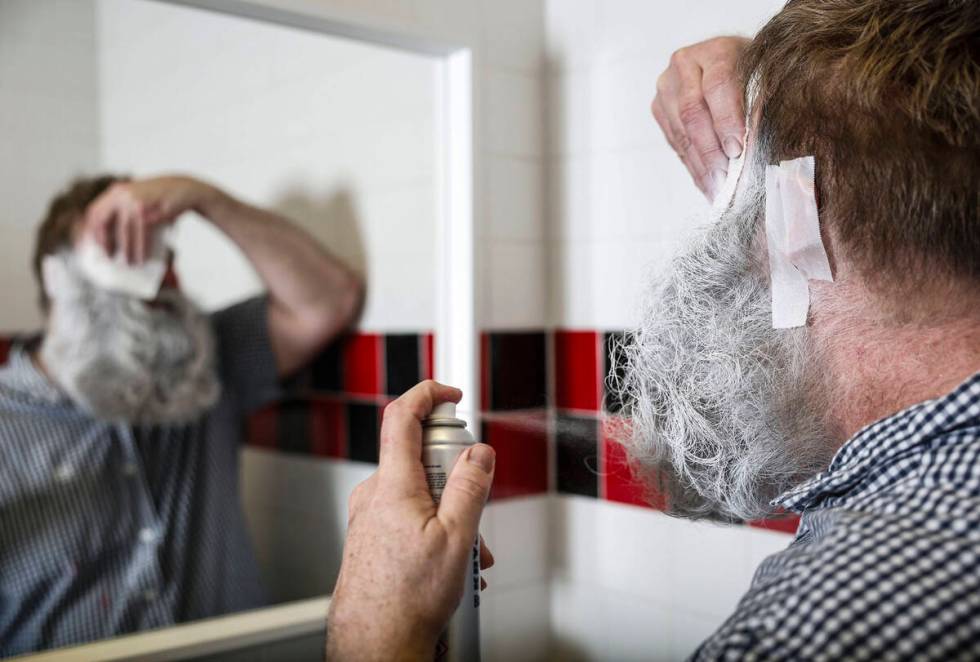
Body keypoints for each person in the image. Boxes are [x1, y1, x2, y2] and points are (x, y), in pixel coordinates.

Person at [324, 0, 980, 659]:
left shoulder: (818, 627)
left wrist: (380, 629)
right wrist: (809, 92)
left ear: (793, 219)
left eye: (746, 194)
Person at [0, 174, 362, 655]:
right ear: (61, 283)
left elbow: (328, 300)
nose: (164, 280)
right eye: (124, 255)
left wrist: (204, 198)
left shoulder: (200, 365)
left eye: (164, 257)